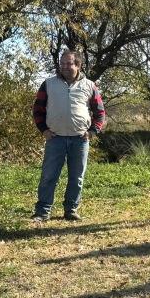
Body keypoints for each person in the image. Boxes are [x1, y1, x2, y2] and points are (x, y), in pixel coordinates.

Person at [31, 50, 105, 221]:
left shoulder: (89, 86)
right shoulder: (48, 84)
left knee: (76, 177)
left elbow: (100, 113)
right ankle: (42, 211)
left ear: (78, 65)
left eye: (69, 63)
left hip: (80, 139)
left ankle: (71, 209)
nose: (64, 67)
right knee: (48, 176)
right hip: (55, 138)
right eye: (62, 63)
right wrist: (44, 130)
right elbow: (38, 109)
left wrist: (92, 132)